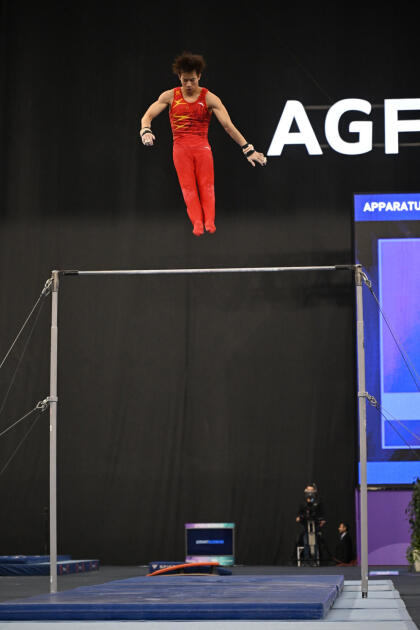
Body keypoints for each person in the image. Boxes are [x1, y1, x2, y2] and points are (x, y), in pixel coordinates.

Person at [139, 52, 267, 236]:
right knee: (188, 187)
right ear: (179, 78)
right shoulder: (170, 96)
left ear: (199, 76)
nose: (189, 84)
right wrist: (146, 130)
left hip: (202, 147)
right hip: (180, 148)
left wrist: (248, 149)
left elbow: (228, 126)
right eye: (185, 80)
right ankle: (197, 222)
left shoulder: (209, 98)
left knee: (207, 185)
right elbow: (147, 116)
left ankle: (209, 221)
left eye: (192, 80)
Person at [295, 483, 327, 565]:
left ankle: (315, 560)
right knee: (306, 542)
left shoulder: (317, 502)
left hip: (315, 525)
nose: (310, 492)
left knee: (315, 543)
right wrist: (299, 517)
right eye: (308, 490)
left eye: (311, 490)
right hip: (305, 526)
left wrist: (322, 520)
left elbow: (321, 513)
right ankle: (306, 560)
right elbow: (300, 513)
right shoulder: (303, 503)